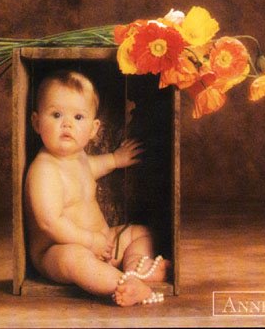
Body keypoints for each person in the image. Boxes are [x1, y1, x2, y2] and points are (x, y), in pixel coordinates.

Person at [25, 70, 169, 306]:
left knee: (140, 232)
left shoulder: (78, 158)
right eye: (56, 114)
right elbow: (49, 222)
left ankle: (136, 269)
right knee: (75, 259)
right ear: (36, 122)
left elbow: (92, 167)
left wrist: (114, 159)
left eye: (78, 117)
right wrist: (89, 242)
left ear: (93, 129)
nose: (67, 124)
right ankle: (122, 284)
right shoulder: (44, 170)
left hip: (102, 243)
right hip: (57, 250)